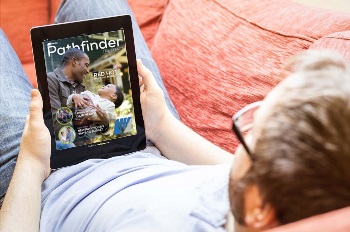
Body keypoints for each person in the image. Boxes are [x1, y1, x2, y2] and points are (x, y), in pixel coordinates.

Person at [1, 1, 350, 232]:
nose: (247, 119)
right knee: (94, 4)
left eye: (252, 130)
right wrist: (161, 125)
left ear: (259, 207)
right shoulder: (267, 192)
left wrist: (32, 160)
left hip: (45, 180)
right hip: (147, 143)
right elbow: (231, 170)